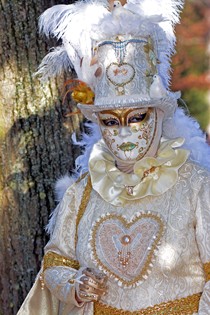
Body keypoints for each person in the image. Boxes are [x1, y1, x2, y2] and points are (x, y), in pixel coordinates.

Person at [18, 0, 210, 314]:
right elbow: (55, 264)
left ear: (158, 115)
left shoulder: (197, 186)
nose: (123, 132)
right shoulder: (82, 193)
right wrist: (75, 285)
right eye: (110, 121)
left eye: (137, 117)